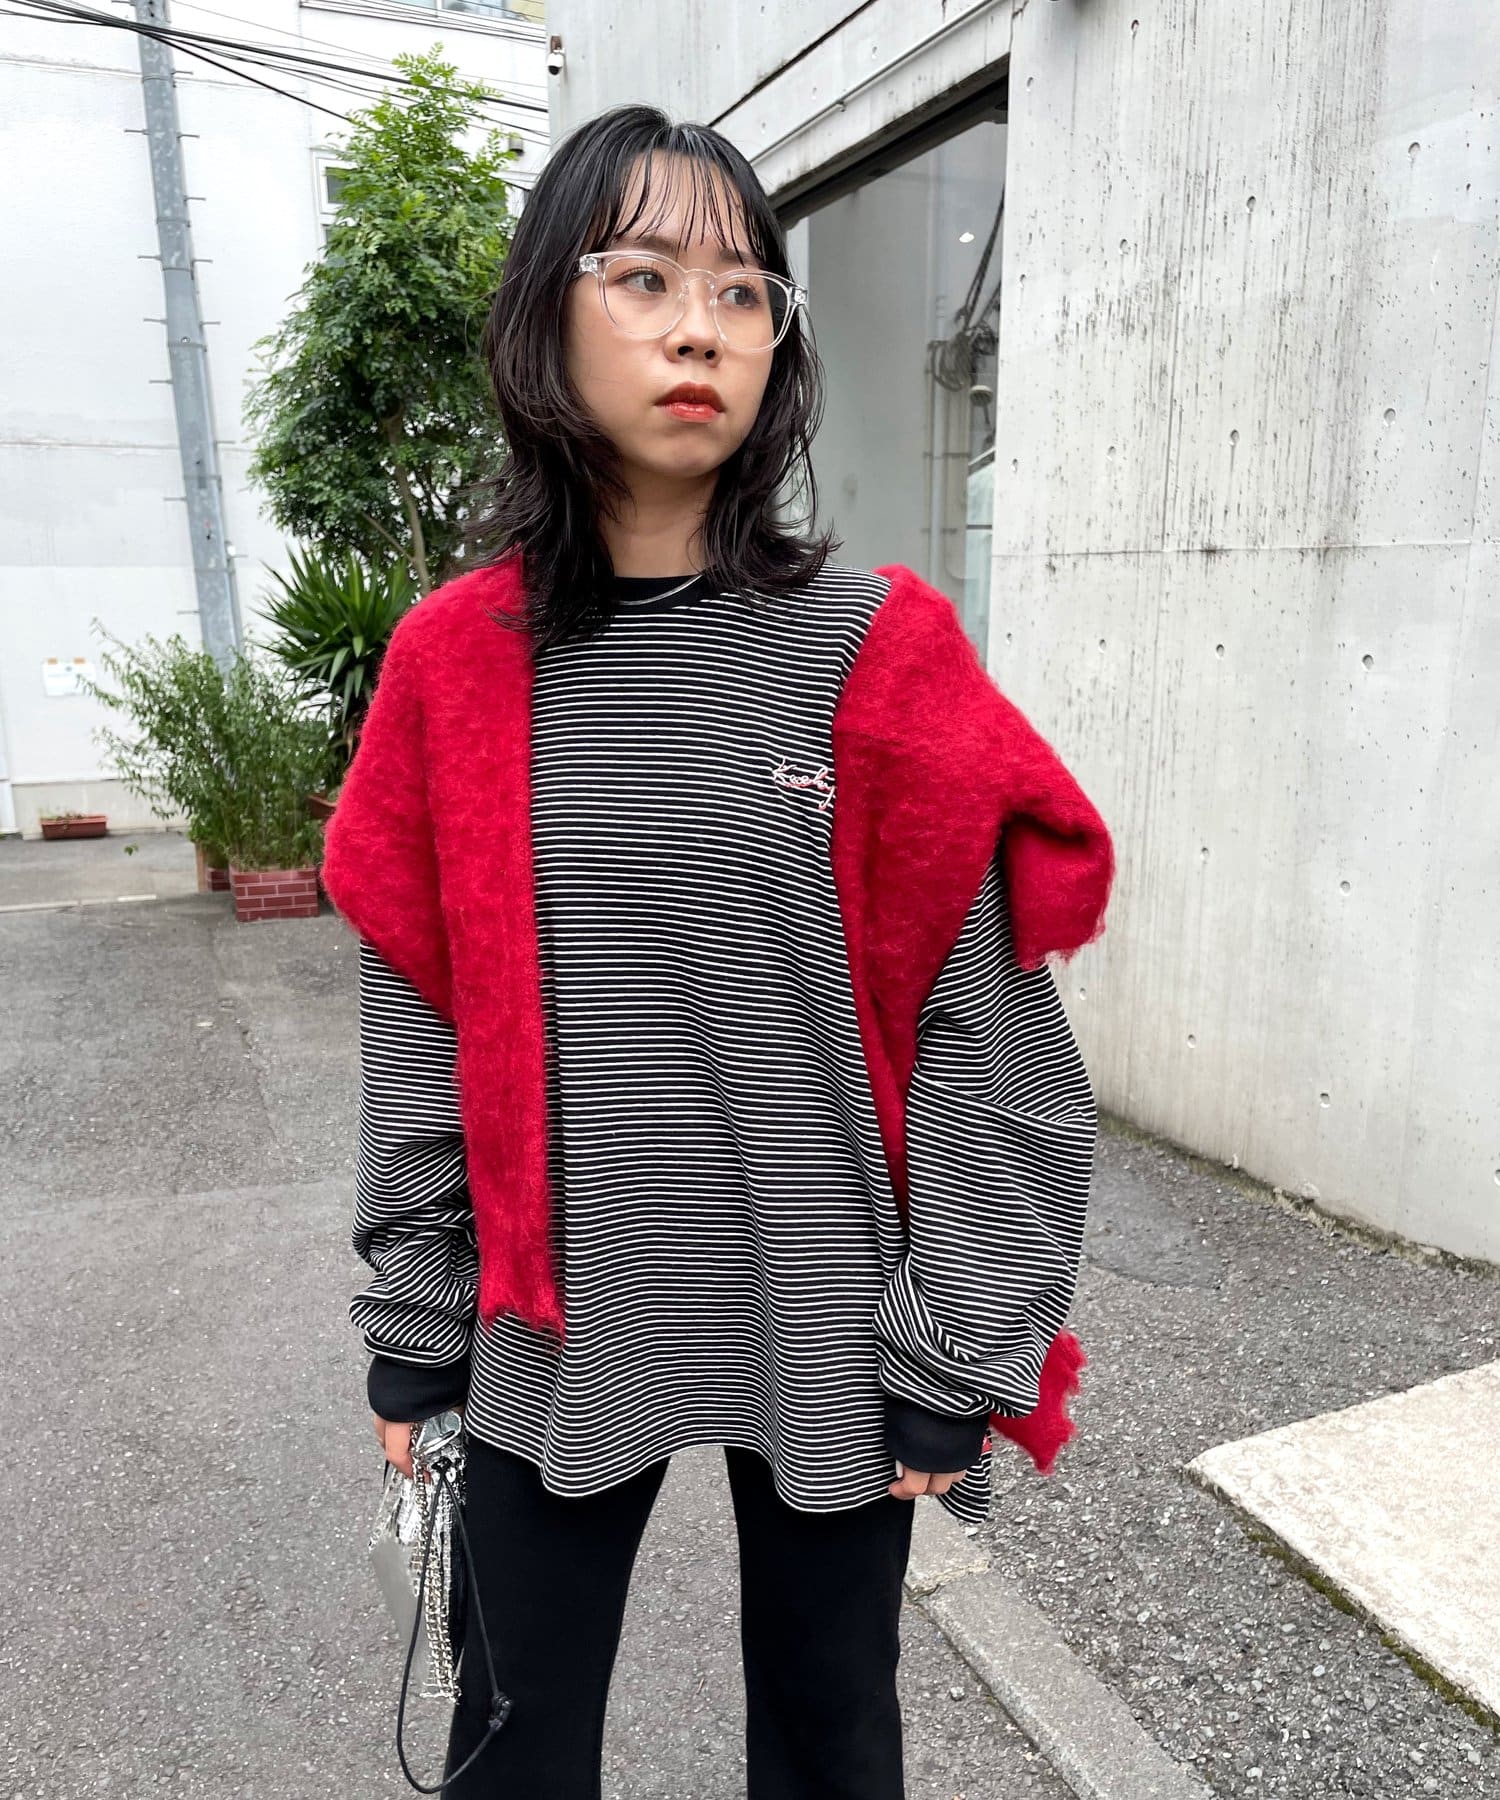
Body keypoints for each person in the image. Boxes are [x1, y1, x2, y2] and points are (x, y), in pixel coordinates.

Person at [331, 102, 1108, 1798]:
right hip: (554, 1308)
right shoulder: (455, 665)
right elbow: (419, 1013)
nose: (701, 327)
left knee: (833, 1740)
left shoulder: (874, 651)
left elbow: (985, 1029)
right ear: (545, 316)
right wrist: (417, 1312)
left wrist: (959, 1341)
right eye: (645, 277)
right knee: (513, 1741)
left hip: (830, 1302)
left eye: (745, 290)